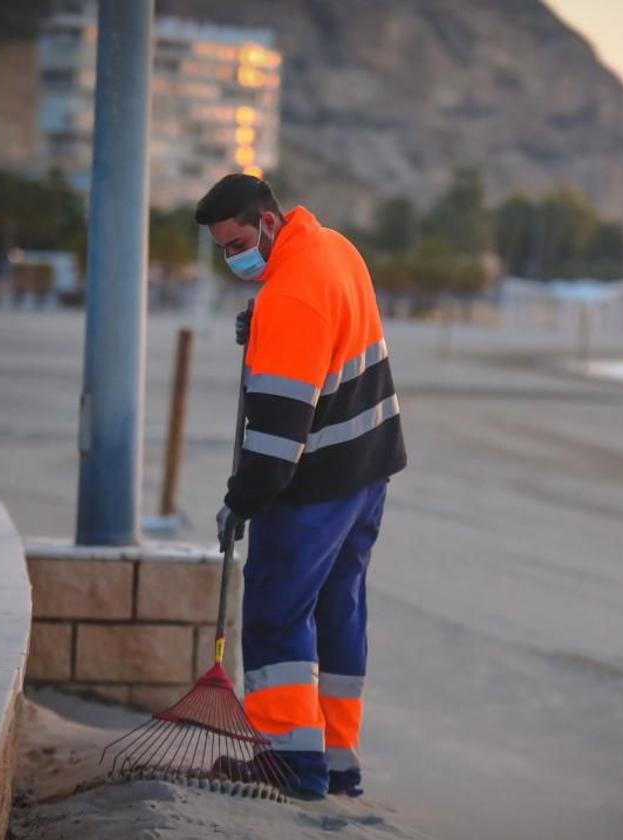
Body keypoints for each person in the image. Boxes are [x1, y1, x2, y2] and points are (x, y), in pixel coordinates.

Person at [195, 174, 406, 800]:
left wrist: (241, 500)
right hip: (369, 468)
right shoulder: (334, 249)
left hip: (317, 483)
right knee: (339, 609)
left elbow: (277, 439)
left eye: (236, 243)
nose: (233, 257)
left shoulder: (289, 295)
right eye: (221, 249)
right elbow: (331, 338)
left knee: (275, 610)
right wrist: (263, 323)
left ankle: (291, 760)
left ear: (265, 223)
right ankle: (338, 759)